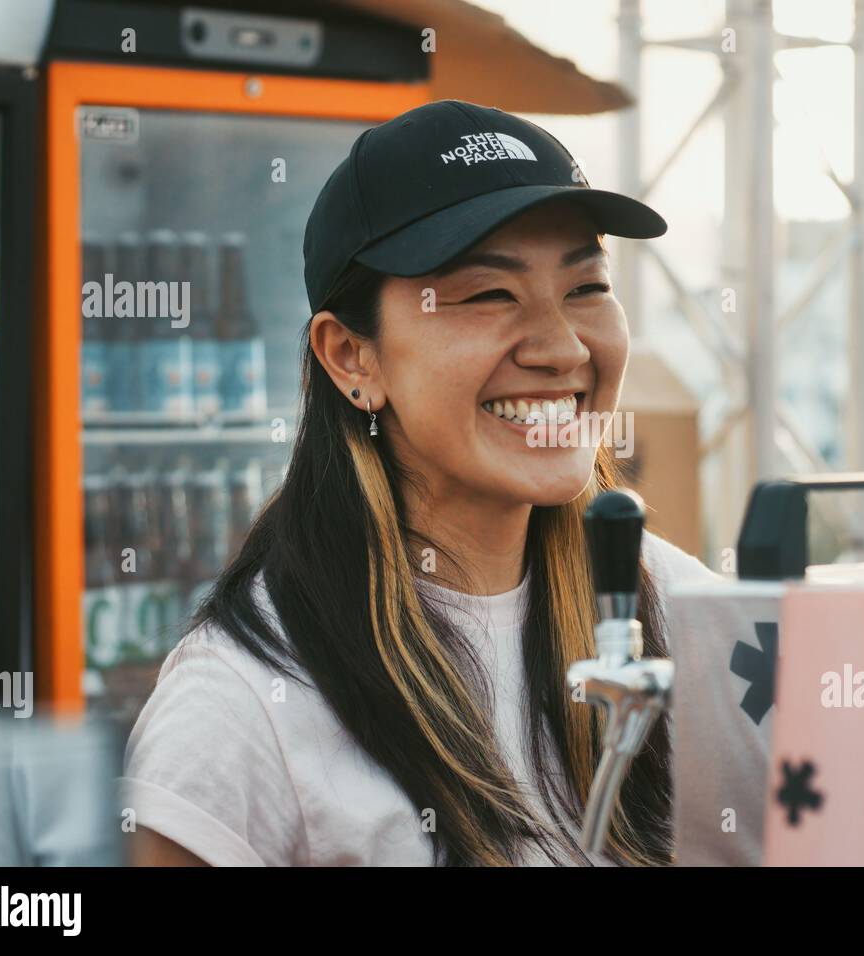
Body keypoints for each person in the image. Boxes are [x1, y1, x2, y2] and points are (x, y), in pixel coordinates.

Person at [120, 99, 717, 866]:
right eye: (488, 295)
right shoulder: (239, 710)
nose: (563, 348)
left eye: (587, 288)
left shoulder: (679, 612)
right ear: (351, 358)